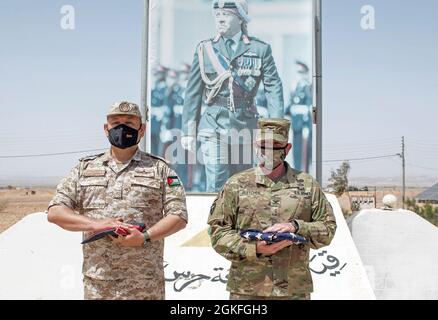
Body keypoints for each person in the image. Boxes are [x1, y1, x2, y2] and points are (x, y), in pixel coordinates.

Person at [47, 101, 188, 300]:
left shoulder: (160, 169)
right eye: (116, 123)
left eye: (130, 123)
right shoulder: (84, 169)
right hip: (99, 285)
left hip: (145, 285)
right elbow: (55, 212)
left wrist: (145, 237)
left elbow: (179, 216)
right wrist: (97, 224)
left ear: (142, 129)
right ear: (106, 129)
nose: (122, 128)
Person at [207, 118, 337, 300]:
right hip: (247, 290)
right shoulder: (236, 184)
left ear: (287, 148)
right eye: (264, 145)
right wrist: (255, 248)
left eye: (276, 144)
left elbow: (328, 229)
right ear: (256, 146)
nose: (269, 151)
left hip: (293, 290)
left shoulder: (308, 185)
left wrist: (297, 227)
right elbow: (217, 232)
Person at [181, 0, 284, 192]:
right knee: (217, 181)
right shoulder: (205, 49)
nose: (220, 19)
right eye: (217, 15)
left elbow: (273, 88)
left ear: (241, 18)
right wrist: (189, 130)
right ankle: (215, 222)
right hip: (213, 124)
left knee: (244, 182)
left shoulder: (260, 49)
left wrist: (275, 128)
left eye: (226, 15)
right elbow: (192, 92)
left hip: (245, 124)